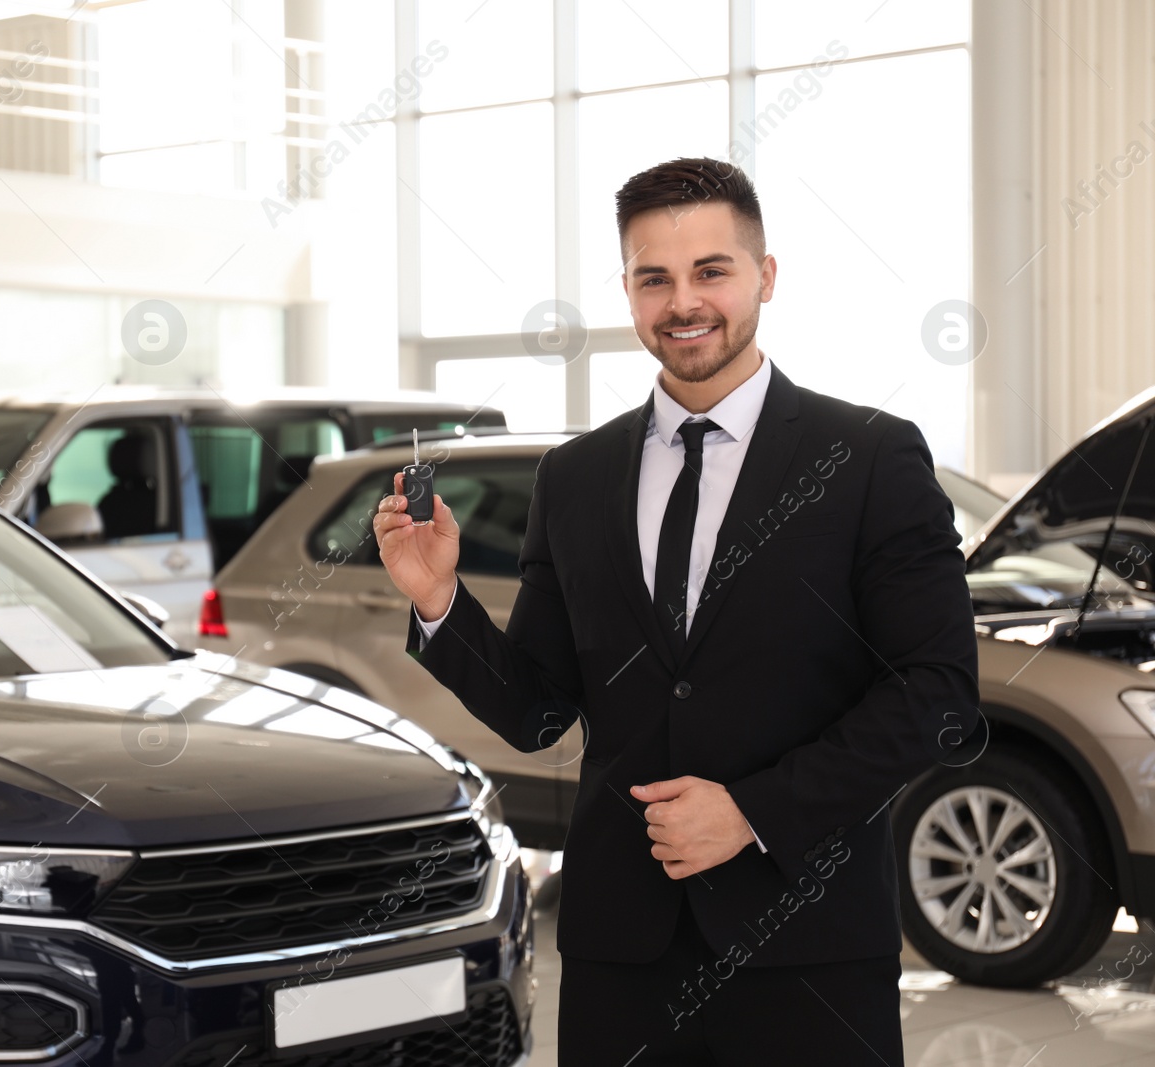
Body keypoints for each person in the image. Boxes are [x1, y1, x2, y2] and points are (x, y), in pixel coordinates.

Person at [373, 157, 979, 1066]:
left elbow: (936, 697)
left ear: (765, 277)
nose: (683, 301)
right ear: (627, 291)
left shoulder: (868, 458)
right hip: (624, 956)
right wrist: (439, 602)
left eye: (711, 271)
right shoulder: (573, 478)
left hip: (807, 946)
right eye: (654, 277)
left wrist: (753, 811)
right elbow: (539, 711)